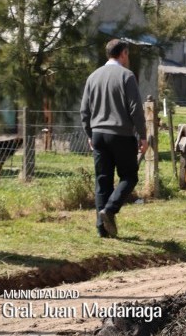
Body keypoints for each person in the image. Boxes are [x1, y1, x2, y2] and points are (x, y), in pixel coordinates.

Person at [80, 39, 148, 238]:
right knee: (129, 176)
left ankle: (102, 229)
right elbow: (135, 108)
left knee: (103, 181)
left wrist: (90, 134)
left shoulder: (93, 77)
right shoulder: (127, 76)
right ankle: (110, 210)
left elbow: (84, 110)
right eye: (128, 54)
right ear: (124, 53)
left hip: (99, 134)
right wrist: (142, 136)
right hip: (121, 134)